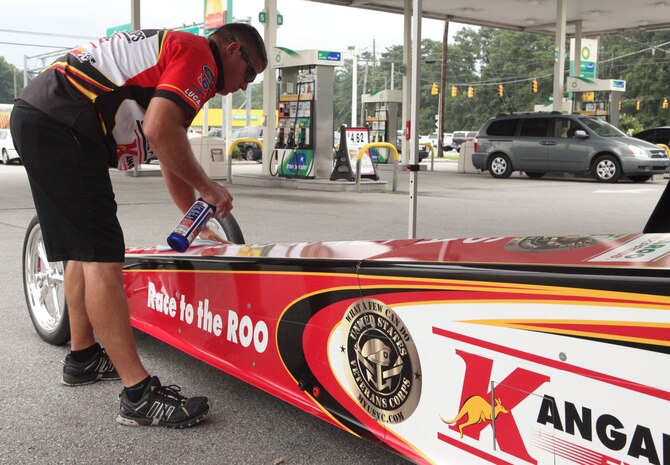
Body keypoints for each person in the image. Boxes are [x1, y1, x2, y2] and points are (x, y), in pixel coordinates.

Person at [10, 23, 268, 428]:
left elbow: (167, 145)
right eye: (250, 74)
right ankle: (138, 395)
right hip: (64, 122)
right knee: (102, 255)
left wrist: (194, 219)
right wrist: (208, 187)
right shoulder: (200, 56)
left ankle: (83, 357)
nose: (243, 86)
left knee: (84, 247)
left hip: (43, 115)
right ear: (233, 50)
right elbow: (159, 128)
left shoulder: (178, 57)